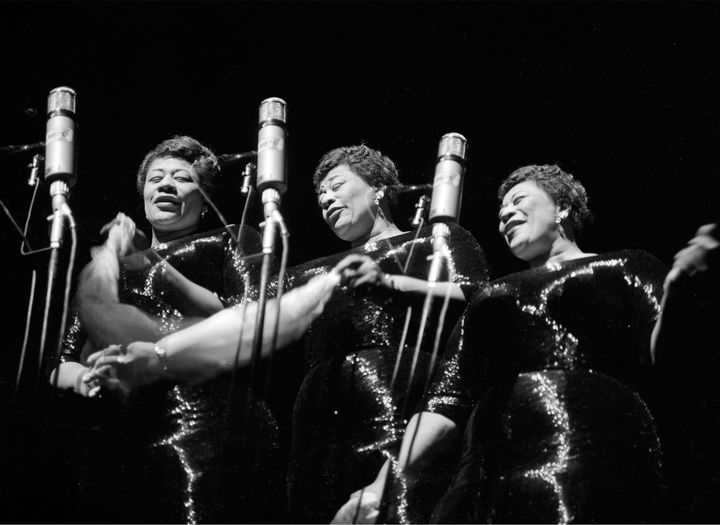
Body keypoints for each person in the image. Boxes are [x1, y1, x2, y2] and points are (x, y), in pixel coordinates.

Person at [335, 164, 670, 524]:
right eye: (499, 212)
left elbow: (666, 355)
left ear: (563, 207)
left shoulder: (624, 265)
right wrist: (380, 486)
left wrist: (681, 292)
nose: (505, 214)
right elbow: (445, 403)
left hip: (594, 450)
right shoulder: (491, 297)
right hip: (491, 468)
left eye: (519, 200)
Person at [50, 135, 290, 524]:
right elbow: (60, 361)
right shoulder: (114, 265)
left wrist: (149, 265)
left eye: (182, 178)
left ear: (205, 199)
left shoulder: (230, 240)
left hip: (207, 427)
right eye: (155, 178)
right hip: (120, 439)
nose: (165, 184)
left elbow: (249, 317)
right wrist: (86, 379)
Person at [284, 144, 490, 523]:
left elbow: (480, 299)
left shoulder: (435, 240)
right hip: (322, 422)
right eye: (320, 195)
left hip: (407, 401)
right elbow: (246, 308)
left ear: (378, 189)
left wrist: (394, 283)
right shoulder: (312, 271)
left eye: (336, 185)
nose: (326, 199)